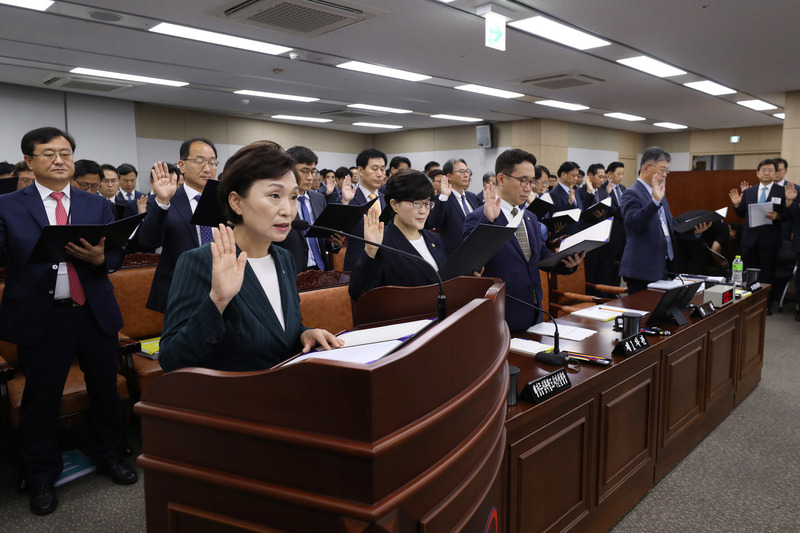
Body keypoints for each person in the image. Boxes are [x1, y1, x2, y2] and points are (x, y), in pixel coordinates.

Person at [0, 127, 137, 516]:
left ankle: (110, 453)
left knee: (106, 389)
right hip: (43, 316)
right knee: (42, 399)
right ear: (29, 161)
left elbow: (114, 254)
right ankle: (41, 474)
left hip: (93, 311)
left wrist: (101, 261)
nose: (59, 160)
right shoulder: (8, 205)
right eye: (49, 154)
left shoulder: (94, 204)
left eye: (65, 153)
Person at [159, 141, 342, 372]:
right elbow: (172, 360)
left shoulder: (283, 258)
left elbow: (279, 331)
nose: (287, 209)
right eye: (274, 195)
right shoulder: (200, 261)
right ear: (236, 202)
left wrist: (304, 334)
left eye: (293, 197)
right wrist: (218, 301)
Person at [463, 148, 584, 332]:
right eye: (523, 181)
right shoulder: (479, 217)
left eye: (532, 181)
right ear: (501, 179)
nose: (528, 188)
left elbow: (539, 257)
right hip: (501, 315)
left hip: (534, 310)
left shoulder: (529, 217)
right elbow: (469, 263)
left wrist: (566, 262)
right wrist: (489, 221)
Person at [132, 137, 219, 312]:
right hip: (181, 293)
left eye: (212, 162)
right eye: (199, 162)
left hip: (221, 290)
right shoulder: (165, 200)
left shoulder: (225, 200)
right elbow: (147, 243)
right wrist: (162, 202)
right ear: (182, 165)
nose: (207, 169)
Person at [620, 147, 710, 294]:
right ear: (646, 168)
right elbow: (634, 223)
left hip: (664, 265)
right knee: (644, 312)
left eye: (667, 171)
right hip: (643, 268)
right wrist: (655, 201)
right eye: (662, 170)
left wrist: (694, 230)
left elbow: (669, 226)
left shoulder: (659, 194)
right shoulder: (631, 193)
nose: (665, 175)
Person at [349, 169, 447, 300]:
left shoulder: (434, 239)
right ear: (394, 205)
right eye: (417, 203)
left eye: (427, 203)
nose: (423, 211)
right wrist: (371, 252)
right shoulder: (381, 242)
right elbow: (359, 294)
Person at [729, 158, 786, 311]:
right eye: (763, 170)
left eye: (770, 171)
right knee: (747, 272)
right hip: (749, 239)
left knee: (767, 273)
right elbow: (741, 214)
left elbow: (788, 216)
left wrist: (778, 216)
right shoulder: (749, 191)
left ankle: (764, 305)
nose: (766, 173)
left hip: (770, 239)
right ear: (757, 173)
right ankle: (747, 302)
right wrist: (736, 204)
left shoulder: (782, 192)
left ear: (775, 174)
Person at [275, 145, 342, 272]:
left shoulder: (319, 199)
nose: (310, 177)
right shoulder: (278, 201)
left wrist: (334, 243)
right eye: (304, 171)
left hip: (321, 269)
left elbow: (322, 238)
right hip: (292, 271)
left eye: (313, 171)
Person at [341, 148, 388, 271]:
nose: (379, 174)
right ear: (361, 170)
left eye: (382, 169)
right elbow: (338, 231)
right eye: (374, 169)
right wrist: (345, 202)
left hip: (386, 264)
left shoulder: (387, 200)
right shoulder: (347, 198)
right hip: (358, 265)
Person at [426, 157, 480, 256]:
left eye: (467, 171)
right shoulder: (442, 199)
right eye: (461, 171)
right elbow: (433, 222)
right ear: (449, 176)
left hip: (477, 251)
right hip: (455, 255)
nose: (466, 175)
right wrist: (444, 196)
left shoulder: (472, 197)